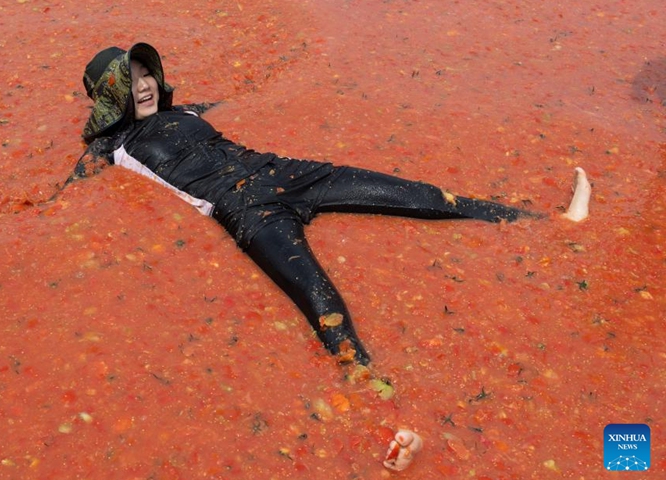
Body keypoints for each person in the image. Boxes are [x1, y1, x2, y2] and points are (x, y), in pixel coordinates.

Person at [66, 42, 589, 367]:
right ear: (112, 96)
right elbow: (62, 201)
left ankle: (547, 221)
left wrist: (293, 69)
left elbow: (246, 94)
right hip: (244, 209)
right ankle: (366, 385)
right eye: (131, 81)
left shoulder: (187, 112)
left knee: (417, 195)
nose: (146, 85)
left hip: (284, 171)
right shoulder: (111, 149)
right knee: (316, 298)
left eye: (147, 73)